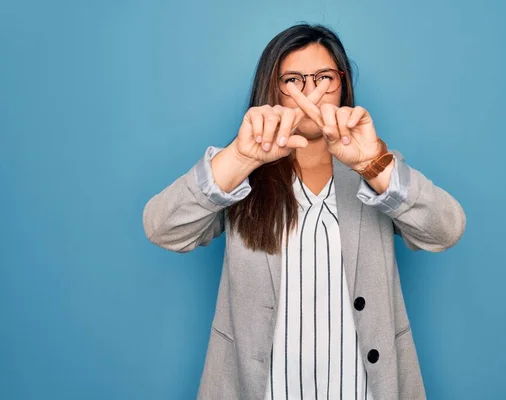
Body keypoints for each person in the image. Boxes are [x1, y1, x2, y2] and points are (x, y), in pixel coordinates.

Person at [143, 24, 466, 400]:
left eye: (324, 77)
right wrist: (240, 158)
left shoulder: (376, 169)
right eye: (294, 80)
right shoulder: (240, 176)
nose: (311, 92)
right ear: (273, 90)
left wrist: (374, 164)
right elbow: (162, 228)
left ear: (343, 84)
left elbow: (446, 230)